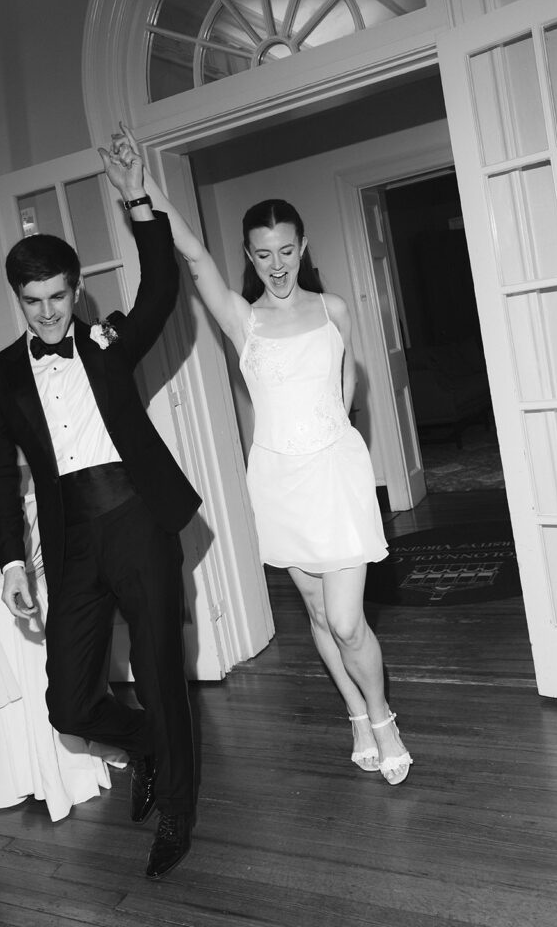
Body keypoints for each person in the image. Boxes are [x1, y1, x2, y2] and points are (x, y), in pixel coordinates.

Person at [108, 125, 412, 786]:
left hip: (335, 475)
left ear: (301, 247)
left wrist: (344, 426)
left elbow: (349, 380)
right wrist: (142, 191)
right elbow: (190, 255)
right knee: (313, 612)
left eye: (285, 250)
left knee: (346, 616)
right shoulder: (242, 320)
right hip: (279, 480)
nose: (275, 264)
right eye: (261, 253)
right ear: (249, 255)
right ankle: (356, 715)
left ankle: (383, 716)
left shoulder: (334, 309)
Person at [0, 136, 201, 879]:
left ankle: (178, 807)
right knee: (70, 706)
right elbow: (5, 482)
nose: (45, 315)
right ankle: (149, 747)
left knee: (160, 668)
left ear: (77, 291)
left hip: (138, 517)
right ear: (19, 300)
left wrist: (138, 199)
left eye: (57, 298)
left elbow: (164, 288)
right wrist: (12, 559)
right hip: (71, 538)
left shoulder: (106, 344)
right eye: (32, 302)